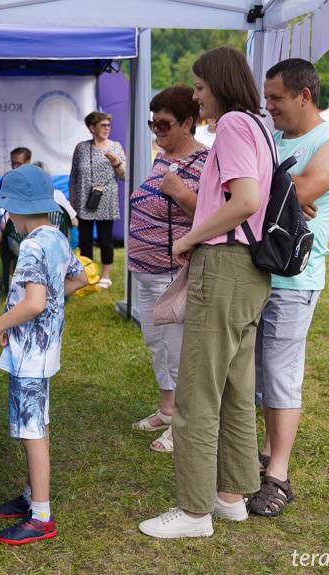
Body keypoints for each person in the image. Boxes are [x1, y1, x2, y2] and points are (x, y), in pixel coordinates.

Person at [138, 46, 274, 539]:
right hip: (251, 273)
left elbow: (247, 200)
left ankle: (195, 512)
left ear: (219, 83)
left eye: (199, 87)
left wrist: (192, 237)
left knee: (196, 392)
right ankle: (232, 496)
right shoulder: (258, 125)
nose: (196, 98)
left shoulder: (236, 125)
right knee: (237, 389)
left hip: (225, 266)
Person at [250, 58, 329, 517]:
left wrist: (281, 191)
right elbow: (253, 188)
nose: (268, 106)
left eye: (275, 98)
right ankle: (260, 456)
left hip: (294, 278)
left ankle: (278, 476)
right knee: (255, 374)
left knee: (280, 375)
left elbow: (305, 190)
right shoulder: (272, 136)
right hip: (254, 268)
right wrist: (282, 190)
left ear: (304, 96)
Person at [0, 164, 88, 544]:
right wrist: (53, 299)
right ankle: (31, 495)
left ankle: (41, 514)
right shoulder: (57, 237)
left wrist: (0, 324)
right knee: (38, 422)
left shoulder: (30, 245)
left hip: (29, 353)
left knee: (31, 430)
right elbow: (80, 278)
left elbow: (33, 302)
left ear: (14, 208)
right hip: (45, 349)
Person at [128, 85, 209, 454]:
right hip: (146, 271)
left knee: (177, 352)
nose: (156, 130)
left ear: (188, 123)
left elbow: (214, 217)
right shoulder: (163, 157)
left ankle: (183, 427)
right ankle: (166, 409)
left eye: (164, 123)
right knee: (156, 345)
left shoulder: (205, 162)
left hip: (171, 274)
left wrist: (180, 193)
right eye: (152, 123)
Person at [69, 111, 126, 290]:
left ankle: (105, 275)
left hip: (106, 198)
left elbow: (125, 175)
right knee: (85, 240)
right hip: (84, 199)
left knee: (105, 239)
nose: (107, 129)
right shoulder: (81, 148)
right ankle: (87, 274)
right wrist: (72, 200)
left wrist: (115, 161)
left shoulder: (115, 146)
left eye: (108, 125)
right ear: (92, 128)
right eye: (103, 125)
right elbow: (73, 175)